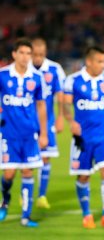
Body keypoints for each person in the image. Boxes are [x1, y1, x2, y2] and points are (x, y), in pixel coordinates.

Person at [64, 46, 104, 229]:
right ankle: (87, 214)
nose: (103, 65)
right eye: (100, 62)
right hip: (83, 137)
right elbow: (64, 105)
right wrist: (71, 121)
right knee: (83, 176)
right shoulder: (73, 81)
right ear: (89, 61)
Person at [0, 38, 48, 227]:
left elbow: (41, 105)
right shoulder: (3, 75)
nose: (26, 57)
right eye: (22, 53)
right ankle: (6, 198)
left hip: (29, 135)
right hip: (8, 134)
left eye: (29, 53)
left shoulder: (36, 78)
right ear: (14, 54)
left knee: (28, 172)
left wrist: (44, 133)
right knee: (9, 174)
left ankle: (25, 217)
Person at [31, 38, 66, 209]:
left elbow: (60, 94)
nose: (37, 58)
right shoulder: (25, 69)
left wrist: (60, 117)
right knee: (26, 161)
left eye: (41, 55)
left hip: (47, 121)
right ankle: (27, 194)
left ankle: (41, 196)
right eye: (35, 55)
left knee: (45, 158)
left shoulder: (54, 69)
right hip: (27, 122)